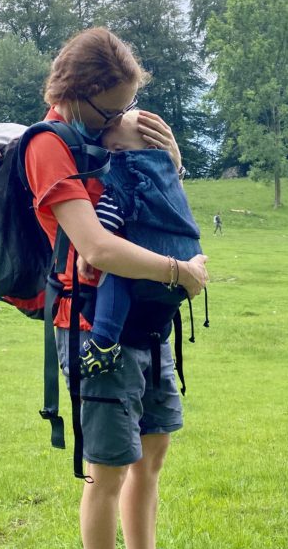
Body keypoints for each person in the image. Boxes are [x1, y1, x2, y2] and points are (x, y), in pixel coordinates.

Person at [23, 27, 218, 549]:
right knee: (105, 470)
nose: (121, 119)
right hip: (93, 333)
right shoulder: (49, 148)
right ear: (80, 94)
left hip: (147, 322)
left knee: (150, 457)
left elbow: (159, 211)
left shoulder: (105, 137)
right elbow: (98, 246)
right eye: (114, 108)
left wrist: (170, 159)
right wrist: (180, 273)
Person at [77, 109, 202, 379]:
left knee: (117, 272)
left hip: (153, 255)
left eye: (119, 149)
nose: (112, 157)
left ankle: (103, 342)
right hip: (188, 254)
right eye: (107, 150)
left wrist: (88, 252)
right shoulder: (169, 175)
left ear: (150, 147)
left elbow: (112, 209)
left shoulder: (131, 172)